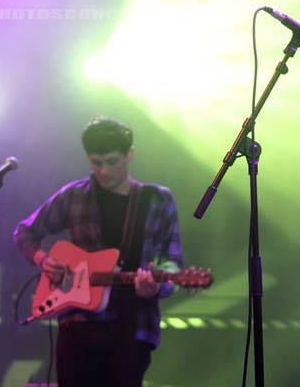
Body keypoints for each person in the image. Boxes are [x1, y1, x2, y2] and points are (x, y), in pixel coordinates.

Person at [14, 118, 183, 387]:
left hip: (133, 328)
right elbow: (24, 231)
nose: (103, 171)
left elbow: (173, 265)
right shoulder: (74, 195)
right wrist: (43, 260)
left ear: (130, 155)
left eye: (112, 162)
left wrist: (156, 287)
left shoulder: (157, 199)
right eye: (95, 162)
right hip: (79, 327)